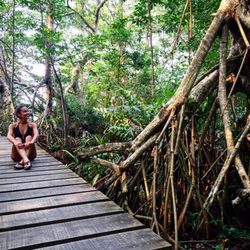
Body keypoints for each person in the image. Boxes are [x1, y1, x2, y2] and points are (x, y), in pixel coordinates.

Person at [7, 104, 39, 169]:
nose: (28, 113)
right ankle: (25, 161)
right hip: (16, 156)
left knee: (29, 137)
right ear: (18, 114)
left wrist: (31, 142)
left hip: (31, 155)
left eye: (28, 111)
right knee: (17, 139)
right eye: (25, 111)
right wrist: (15, 142)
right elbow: (8, 136)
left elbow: (36, 134)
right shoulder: (13, 126)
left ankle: (22, 161)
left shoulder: (32, 125)